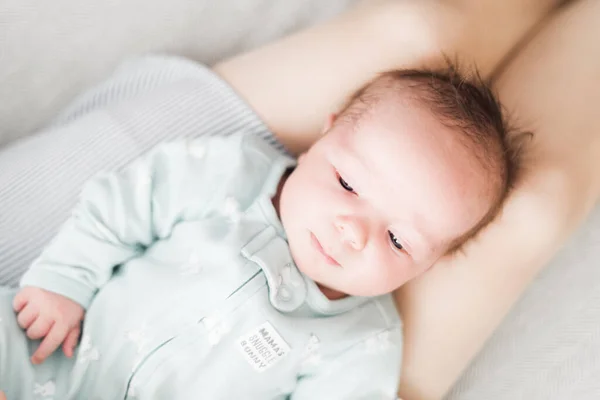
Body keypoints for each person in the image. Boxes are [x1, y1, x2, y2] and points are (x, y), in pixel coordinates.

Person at [1, 0, 599, 399]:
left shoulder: (360, 344)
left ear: (430, 264)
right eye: (346, 184)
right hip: (51, 351)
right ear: (323, 134)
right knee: (539, 205)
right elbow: (120, 207)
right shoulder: (230, 176)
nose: (351, 231)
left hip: (35, 351)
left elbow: (126, 203)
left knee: (422, 29)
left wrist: (56, 282)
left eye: (396, 239)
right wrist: (65, 280)